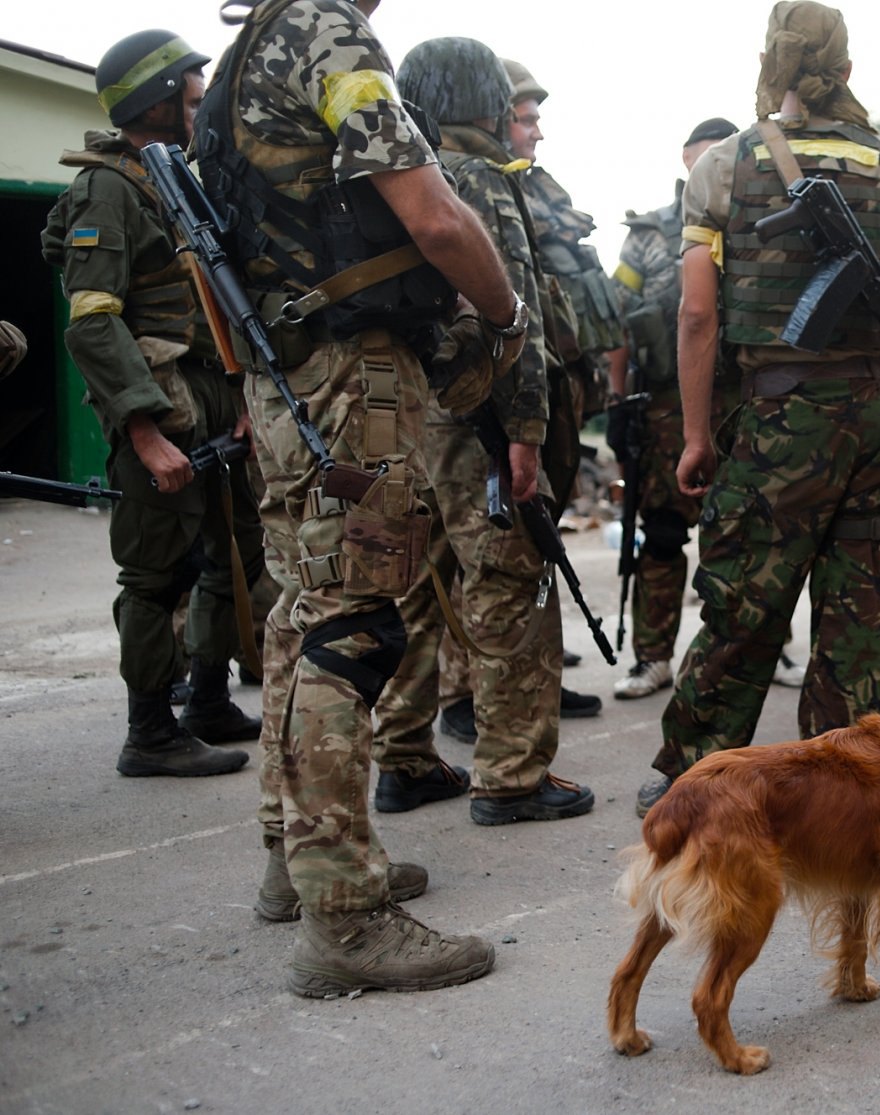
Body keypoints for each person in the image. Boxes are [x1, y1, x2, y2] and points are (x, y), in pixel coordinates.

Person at [195, 0, 528, 994]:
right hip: (350, 380)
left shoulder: (242, 54)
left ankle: (294, 857)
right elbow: (430, 212)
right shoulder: (327, 32)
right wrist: (503, 314)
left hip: (288, 375)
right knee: (352, 624)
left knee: (302, 617)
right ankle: (344, 910)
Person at [636, 0, 880, 817]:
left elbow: (697, 315)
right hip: (872, 420)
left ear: (769, 65)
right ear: (847, 68)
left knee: (742, 605)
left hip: (776, 425)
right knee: (856, 609)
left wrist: (697, 436)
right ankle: (845, 790)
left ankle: (695, 780)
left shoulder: (724, 166)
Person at [382, 36, 593, 826]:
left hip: (398, 414)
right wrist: (528, 429)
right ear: (484, 101)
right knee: (508, 579)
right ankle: (510, 774)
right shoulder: (472, 178)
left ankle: (401, 756)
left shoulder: (387, 174)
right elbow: (516, 314)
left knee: (412, 581)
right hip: (473, 417)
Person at [41, 29, 261, 779]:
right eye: (190, 93)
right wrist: (143, 432)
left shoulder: (169, 176)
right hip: (156, 403)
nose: (201, 104)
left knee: (233, 556)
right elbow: (95, 320)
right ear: (156, 101)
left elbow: (207, 299)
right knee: (154, 573)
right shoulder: (106, 188)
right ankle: (150, 733)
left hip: (206, 391)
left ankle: (207, 699)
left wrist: (237, 395)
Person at [604, 116, 739, 701]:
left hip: (742, 404)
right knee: (660, 534)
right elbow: (618, 319)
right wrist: (615, 398)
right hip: (663, 406)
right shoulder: (651, 234)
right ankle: (652, 657)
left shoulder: (762, 222)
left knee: (744, 537)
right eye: (700, 159)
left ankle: (753, 651)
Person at [499, 57, 607, 721]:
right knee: (503, 548)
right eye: (525, 117)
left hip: (559, 378)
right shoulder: (477, 183)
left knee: (542, 543)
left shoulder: (538, 185)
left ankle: (538, 673)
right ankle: (478, 693)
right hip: (513, 386)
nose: (537, 132)